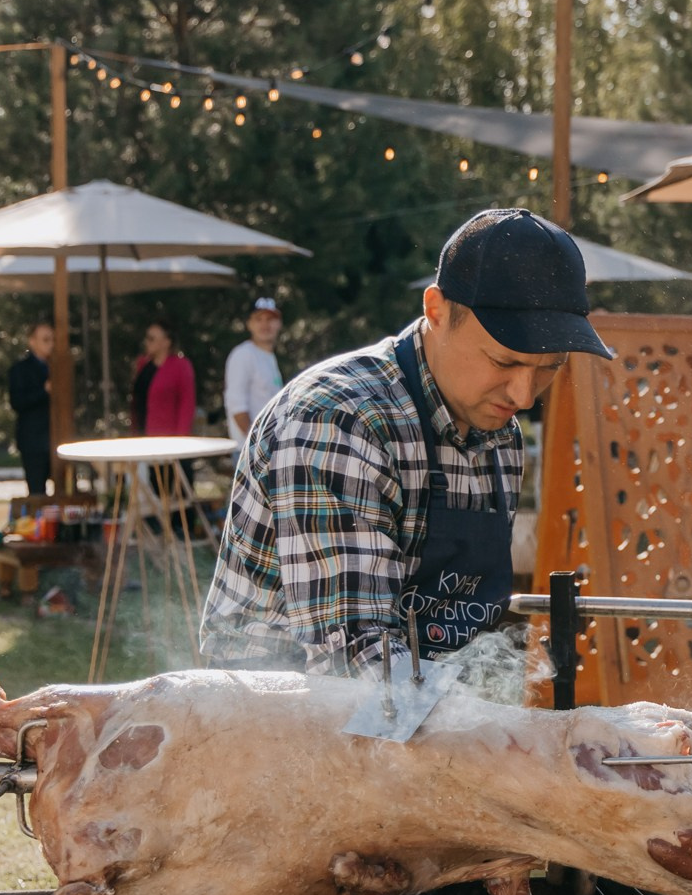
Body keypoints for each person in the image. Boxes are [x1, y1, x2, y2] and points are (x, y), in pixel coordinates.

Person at [202, 208, 612, 672]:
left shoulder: (499, 431)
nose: (523, 395)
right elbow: (354, 660)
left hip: (422, 712)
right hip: (283, 724)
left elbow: (471, 645)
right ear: (436, 311)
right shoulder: (340, 419)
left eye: (548, 368)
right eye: (503, 362)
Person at [224, 297, 285, 441]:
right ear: (249, 324)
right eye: (259, 319)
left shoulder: (269, 356)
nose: (265, 325)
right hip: (250, 451)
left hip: (269, 448)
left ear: (279, 324)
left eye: (270, 319)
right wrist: (256, 442)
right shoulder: (243, 355)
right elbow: (236, 405)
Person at [8, 320, 55, 496]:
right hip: (34, 441)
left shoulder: (59, 367)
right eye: (46, 339)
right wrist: (44, 391)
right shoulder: (20, 370)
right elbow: (17, 402)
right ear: (32, 341)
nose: (51, 344)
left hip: (58, 438)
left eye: (53, 340)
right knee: (37, 492)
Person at [131, 320, 198, 437]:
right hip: (142, 434)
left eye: (151, 339)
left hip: (166, 436)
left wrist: (181, 437)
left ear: (166, 342)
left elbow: (187, 404)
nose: (147, 342)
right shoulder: (143, 364)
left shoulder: (181, 366)